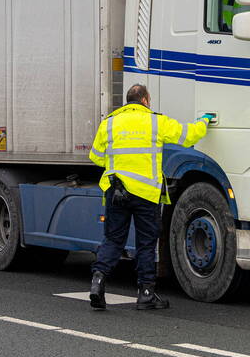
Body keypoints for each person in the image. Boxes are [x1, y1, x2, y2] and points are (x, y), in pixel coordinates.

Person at [88, 84, 211, 310]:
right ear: (145, 100)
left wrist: (119, 165)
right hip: (146, 194)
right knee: (146, 244)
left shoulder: (110, 123)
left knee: (113, 240)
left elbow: (95, 156)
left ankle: (97, 281)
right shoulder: (156, 121)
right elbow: (188, 136)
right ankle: (146, 294)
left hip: (117, 192)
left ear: (128, 101)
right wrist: (204, 121)